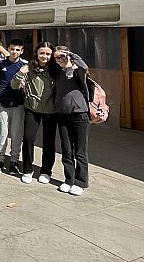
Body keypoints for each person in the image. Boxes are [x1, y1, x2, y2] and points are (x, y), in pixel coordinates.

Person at [11, 42, 59, 185]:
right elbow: (14, 85)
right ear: (36, 54)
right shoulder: (29, 67)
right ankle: (27, 169)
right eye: (42, 53)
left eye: (48, 54)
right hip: (32, 109)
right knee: (28, 138)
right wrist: (21, 73)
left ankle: (46, 171)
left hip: (51, 110)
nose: (44, 56)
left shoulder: (56, 69)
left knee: (49, 141)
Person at [53, 46, 90, 196]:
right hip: (62, 115)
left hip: (79, 115)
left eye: (62, 56)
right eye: (57, 58)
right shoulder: (58, 73)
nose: (60, 59)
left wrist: (71, 55)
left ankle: (81, 182)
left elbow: (84, 67)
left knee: (80, 151)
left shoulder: (77, 72)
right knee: (66, 150)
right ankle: (69, 179)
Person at [0, 39, 26, 175]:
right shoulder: (1, 64)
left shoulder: (24, 66)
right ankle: (0, 160)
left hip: (18, 103)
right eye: (12, 49)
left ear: (21, 51)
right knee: (2, 133)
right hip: (2, 102)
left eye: (17, 50)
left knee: (17, 134)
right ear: (9, 49)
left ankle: (14, 161)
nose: (14, 52)